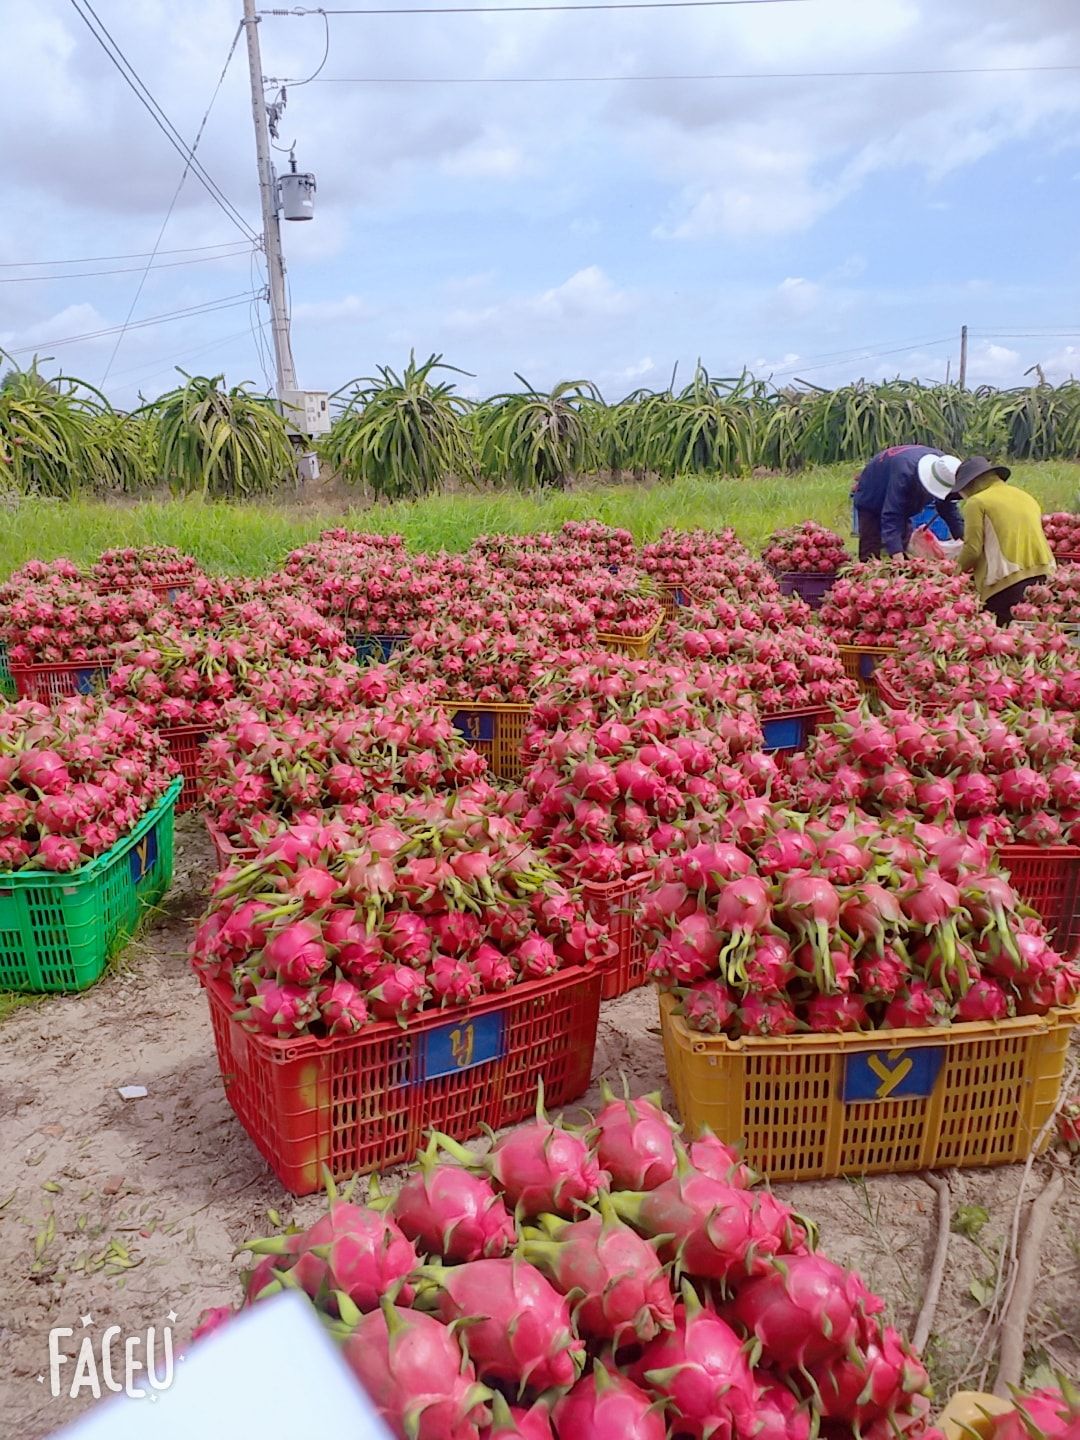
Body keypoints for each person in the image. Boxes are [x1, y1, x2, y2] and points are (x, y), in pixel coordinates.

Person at [950, 456, 1055, 624]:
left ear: (971, 484)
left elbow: (972, 549)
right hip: (1043, 579)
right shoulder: (1026, 497)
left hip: (1006, 583)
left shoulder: (977, 502)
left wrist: (953, 573)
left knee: (1002, 635)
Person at [851, 445, 963, 561]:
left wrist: (964, 538)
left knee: (904, 538)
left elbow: (948, 508)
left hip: (902, 484)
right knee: (870, 546)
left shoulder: (947, 469)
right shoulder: (905, 473)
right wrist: (896, 552)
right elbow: (892, 513)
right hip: (873, 491)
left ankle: (900, 561)